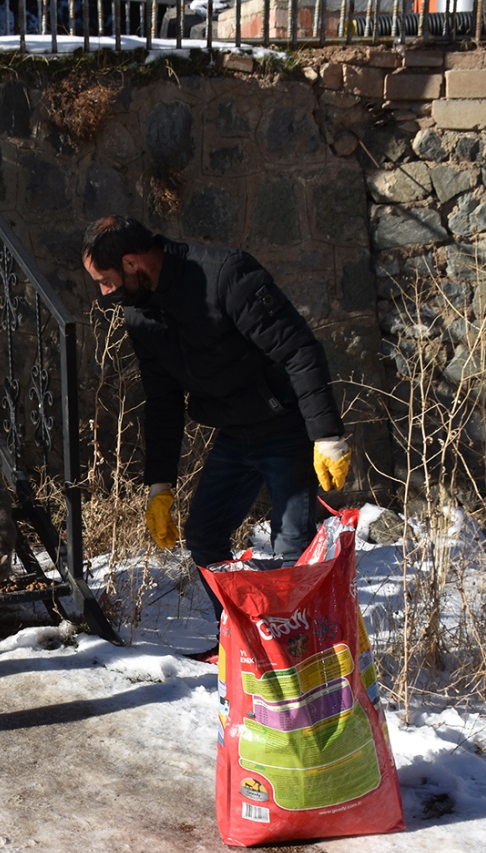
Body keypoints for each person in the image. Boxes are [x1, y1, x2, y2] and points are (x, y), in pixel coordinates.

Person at [80, 215, 352, 647]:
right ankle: (243, 644)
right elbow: (163, 401)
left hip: (283, 426)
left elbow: (299, 350)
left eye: (106, 280)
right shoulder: (141, 313)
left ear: (131, 262)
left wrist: (326, 434)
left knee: (290, 554)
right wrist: (159, 484)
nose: (103, 292)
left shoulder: (226, 275)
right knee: (205, 535)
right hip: (232, 433)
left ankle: (297, 658)